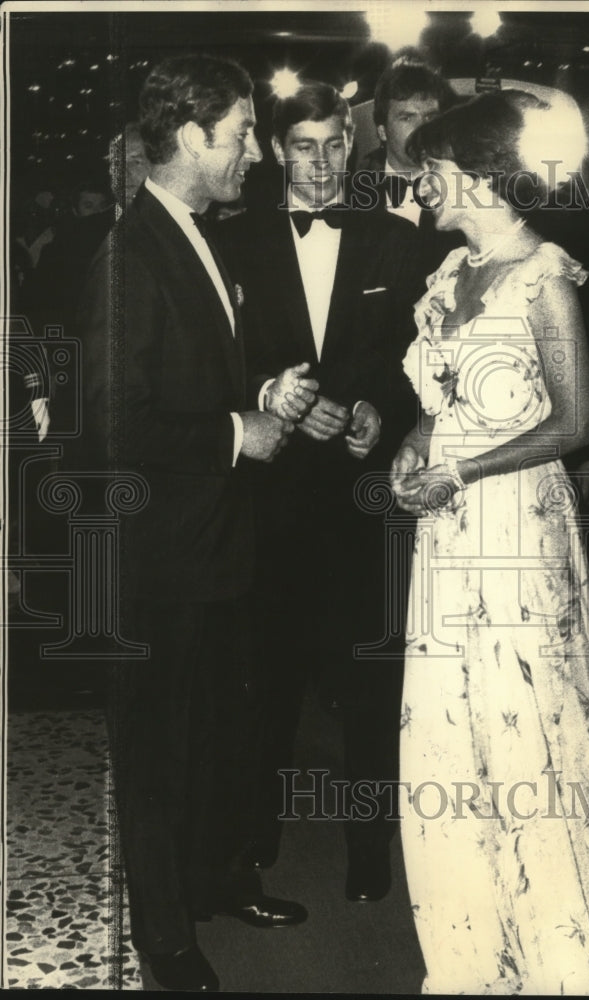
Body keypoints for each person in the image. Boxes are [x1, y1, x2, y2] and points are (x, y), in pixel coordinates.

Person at [390, 92, 589, 995]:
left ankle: (561, 930)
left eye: (433, 174)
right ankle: (477, 926)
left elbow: (572, 423)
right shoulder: (447, 273)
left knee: (527, 717)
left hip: (515, 525)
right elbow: (434, 398)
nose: (421, 188)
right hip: (447, 536)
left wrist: (460, 470)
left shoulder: (544, 278)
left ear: (478, 178)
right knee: (456, 717)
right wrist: (419, 444)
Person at [78, 54, 310, 992]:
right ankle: (165, 937)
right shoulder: (127, 255)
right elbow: (107, 427)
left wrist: (259, 392)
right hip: (158, 560)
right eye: (243, 134)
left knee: (219, 732)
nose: (254, 154)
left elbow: (189, 374)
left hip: (214, 547)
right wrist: (234, 431)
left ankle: (215, 881)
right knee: (158, 753)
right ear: (188, 138)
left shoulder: (197, 233)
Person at [217, 81, 424, 903]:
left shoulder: (397, 241)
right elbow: (222, 362)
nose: (320, 162)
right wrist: (274, 392)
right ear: (275, 150)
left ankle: (369, 850)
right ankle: (256, 832)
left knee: (372, 684)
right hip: (267, 499)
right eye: (303, 146)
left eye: (334, 144)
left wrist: (384, 412)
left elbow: (419, 360)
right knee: (264, 678)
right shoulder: (232, 243)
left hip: (361, 500)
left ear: (352, 144)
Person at [356, 57, 462, 275]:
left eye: (431, 116)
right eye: (407, 118)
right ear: (382, 131)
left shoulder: (466, 190)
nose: (423, 129)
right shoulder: (349, 195)